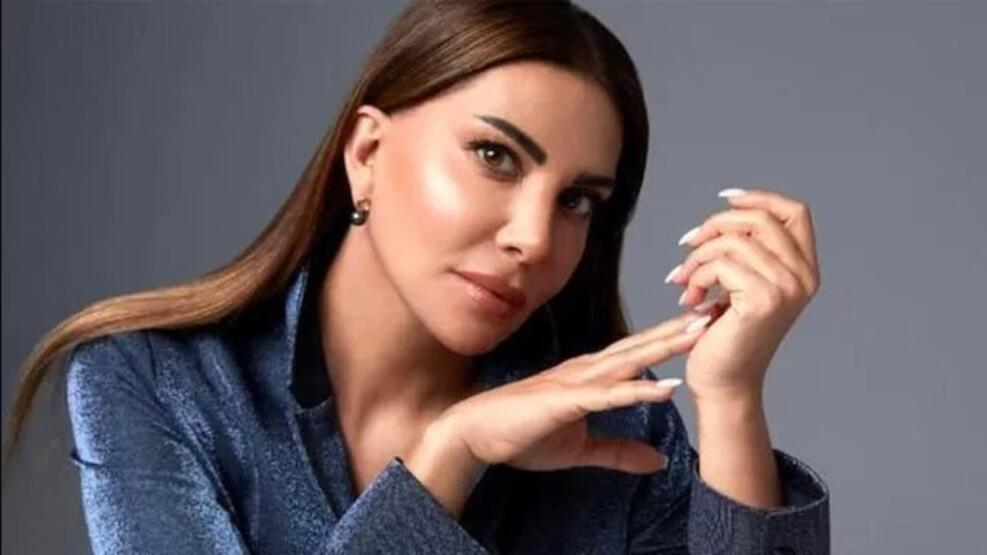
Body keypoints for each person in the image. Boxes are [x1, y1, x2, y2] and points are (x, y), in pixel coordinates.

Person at [3, 0, 829, 553]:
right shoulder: (155, 381)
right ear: (366, 152)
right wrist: (448, 457)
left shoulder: (616, 429)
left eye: (577, 200)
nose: (533, 237)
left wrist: (730, 398)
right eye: (493, 156)